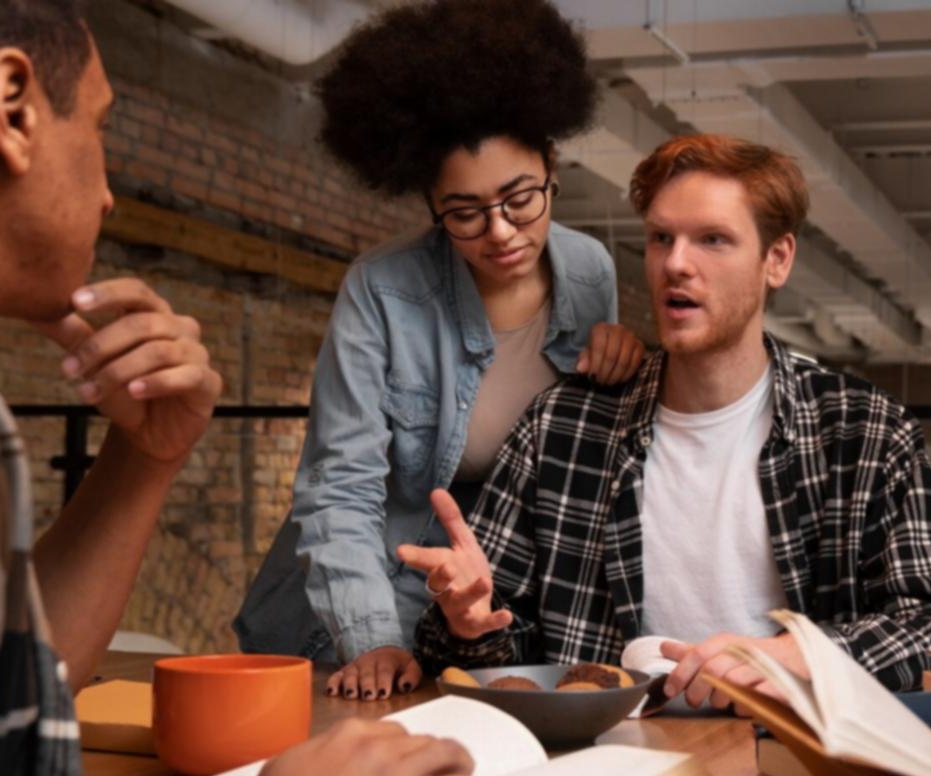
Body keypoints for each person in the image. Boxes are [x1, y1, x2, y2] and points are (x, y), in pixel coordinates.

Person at [0, 4, 480, 776]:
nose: (111, 190)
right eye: (102, 127)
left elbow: (15, 685)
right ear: (14, 107)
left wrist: (147, 456)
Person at [405, 134, 931, 705]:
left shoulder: (864, 431)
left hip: (791, 758)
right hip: (610, 764)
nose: (676, 263)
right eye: (661, 238)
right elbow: (491, 654)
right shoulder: (560, 429)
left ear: (776, 259)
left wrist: (803, 655)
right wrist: (466, 624)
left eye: (713, 240)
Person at [233, 0, 645, 703]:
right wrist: (373, 639)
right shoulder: (382, 289)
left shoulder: (588, 272)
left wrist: (621, 361)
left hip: (491, 622)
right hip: (355, 616)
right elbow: (340, 488)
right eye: (463, 212)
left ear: (551, 166)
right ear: (428, 200)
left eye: (520, 199)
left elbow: (574, 459)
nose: (500, 232)